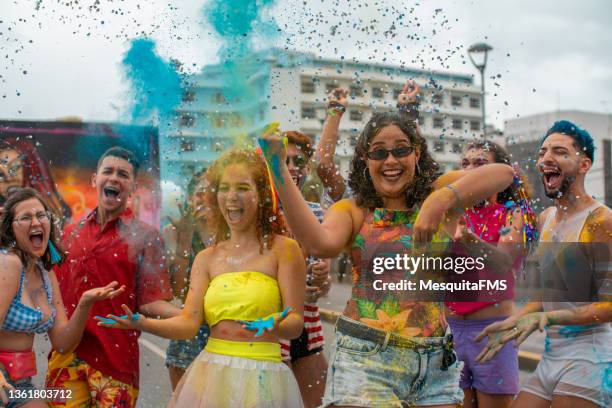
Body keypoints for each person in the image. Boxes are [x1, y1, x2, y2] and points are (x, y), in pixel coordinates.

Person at [259, 94, 516, 406]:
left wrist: (441, 201)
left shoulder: (440, 194)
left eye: (401, 150)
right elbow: (318, 244)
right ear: (366, 160)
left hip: (436, 361)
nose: (391, 161)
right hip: (367, 360)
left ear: (417, 153)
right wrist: (277, 167)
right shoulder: (353, 209)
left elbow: (504, 174)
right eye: (379, 152)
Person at [97, 149, 306, 407]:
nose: (231, 197)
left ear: (262, 195)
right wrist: (140, 323)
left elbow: (296, 323)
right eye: (224, 188)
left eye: (242, 187)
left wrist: (276, 324)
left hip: (264, 377)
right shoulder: (206, 258)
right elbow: (188, 324)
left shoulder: (284, 249)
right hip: (212, 374)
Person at [476, 120, 612, 408]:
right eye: (542, 152)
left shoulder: (601, 221)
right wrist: (517, 319)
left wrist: (549, 318)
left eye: (560, 152)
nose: (546, 158)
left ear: (584, 164)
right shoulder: (545, 219)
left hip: (590, 360)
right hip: (551, 357)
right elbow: (545, 296)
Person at [44, 147, 178, 408]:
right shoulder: (70, 234)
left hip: (115, 365)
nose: (114, 178)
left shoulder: (146, 237)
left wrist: (190, 316)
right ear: (95, 180)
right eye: (108, 171)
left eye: (123, 174)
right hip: (66, 359)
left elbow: (151, 303)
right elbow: (54, 297)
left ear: (133, 186)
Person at [0, 188, 124, 408]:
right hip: (3, 381)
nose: (36, 222)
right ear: (11, 228)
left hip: (21, 385)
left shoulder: (45, 273)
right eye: (26, 217)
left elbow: (63, 344)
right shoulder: (9, 264)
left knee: (62, 399)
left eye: (41, 215)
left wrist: (85, 304)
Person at [444, 140, 538, 408]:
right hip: (450, 332)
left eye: (480, 163)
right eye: (465, 163)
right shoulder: (451, 212)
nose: (470, 170)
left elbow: (502, 262)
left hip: (493, 332)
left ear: (500, 173)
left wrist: (468, 237)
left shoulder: (514, 214)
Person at [281, 130, 331, 408]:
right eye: (284, 160)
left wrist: (321, 281)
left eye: (298, 162)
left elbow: (322, 289)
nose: (291, 168)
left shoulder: (318, 213)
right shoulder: (259, 209)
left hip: (307, 329)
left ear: (307, 167)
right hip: (269, 330)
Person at [162, 169, 213, 390]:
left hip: (225, 332)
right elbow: (179, 291)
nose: (205, 198)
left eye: (211, 192)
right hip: (188, 336)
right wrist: (183, 243)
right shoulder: (174, 232)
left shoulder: (233, 232)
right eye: (200, 193)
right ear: (190, 198)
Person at [0, 139, 72, 223]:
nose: (9, 178)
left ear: (32, 169)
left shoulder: (57, 215)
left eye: (15, 168)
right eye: (0, 174)